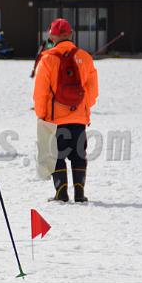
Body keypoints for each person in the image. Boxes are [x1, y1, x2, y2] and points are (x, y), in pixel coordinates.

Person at [33, 18, 99, 202]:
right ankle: (80, 193)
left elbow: (40, 92)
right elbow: (93, 91)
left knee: (57, 156)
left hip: (55, 119)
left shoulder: (47, 59)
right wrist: (83, 108)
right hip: (79, 118)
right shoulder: (85, 57)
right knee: (79, 155)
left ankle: (61, 193)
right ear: (70, 34)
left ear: (52, 36)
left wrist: (41, 115)